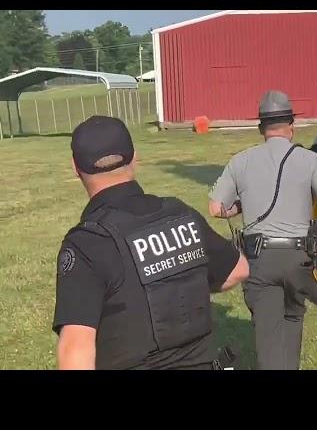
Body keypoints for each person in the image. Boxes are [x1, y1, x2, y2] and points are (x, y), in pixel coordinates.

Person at [53, 116, 249, 370]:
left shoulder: (87, 244)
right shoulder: (180, 214)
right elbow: (238, 269)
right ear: (135, 157)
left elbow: (75, 350)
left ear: (75, 168)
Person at [208, 90, 317, 370]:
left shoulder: (240, 161)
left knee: (269, 338)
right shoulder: (310, 160)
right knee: (293, 322)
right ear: (291, 126)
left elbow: (216, 207)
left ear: (261, 128)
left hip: (261, 259)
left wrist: (242, 206)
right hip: (299, 256)